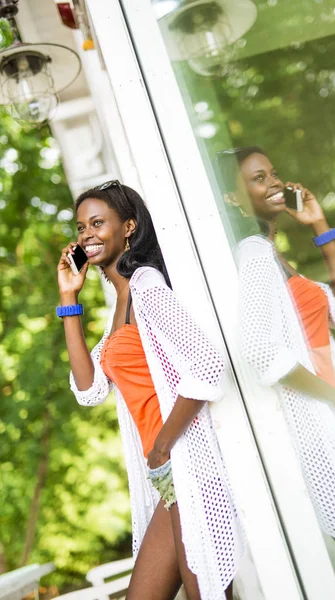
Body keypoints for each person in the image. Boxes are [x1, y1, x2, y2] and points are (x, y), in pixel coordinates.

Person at [216, 147, 335, 599]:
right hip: (320, 429)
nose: (275, 183)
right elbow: (260, 349)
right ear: (235, 199)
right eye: (258, 179)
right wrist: (330, 398)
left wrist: (321, 227)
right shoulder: (254, 255)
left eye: (273, 173)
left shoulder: (273, 256)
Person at [56, 180, 245, 600]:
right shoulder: (121, 304)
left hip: (191, 467)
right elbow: (88, 390)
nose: (87, 234)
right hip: (169, 477)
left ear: (128, 227)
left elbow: (209, 366)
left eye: (98, 222)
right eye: (81, 226)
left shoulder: (145, 286)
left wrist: (162, 447)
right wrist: (69, 299)